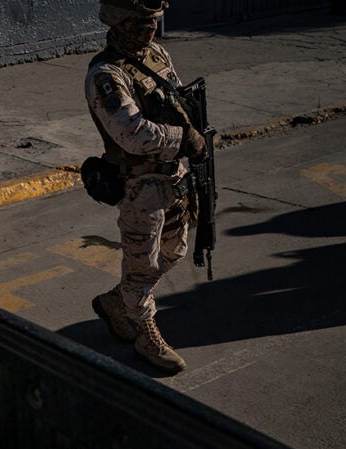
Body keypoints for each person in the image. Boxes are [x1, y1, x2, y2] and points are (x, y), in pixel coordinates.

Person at [84, 0, 208, 372]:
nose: (149, 28)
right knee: (143, 262)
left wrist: (192, 131)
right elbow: (132, 133)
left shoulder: (156, 54)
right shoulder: (106, 75)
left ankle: (116, 302)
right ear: (118, 23)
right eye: (138, 22)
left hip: (174, 175)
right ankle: (145, 333)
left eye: (153, 20)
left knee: (175, 250)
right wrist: (183, 137)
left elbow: (177, 101)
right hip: (140, 184)